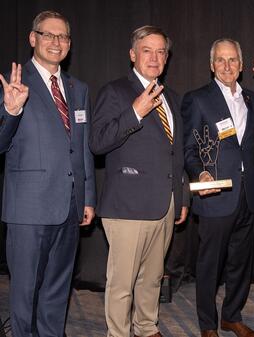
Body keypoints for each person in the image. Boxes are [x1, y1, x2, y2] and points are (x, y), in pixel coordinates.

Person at [0, 10, 96, 337]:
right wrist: (10, 110)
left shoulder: (78, 88)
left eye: (63, 37)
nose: (56, 42)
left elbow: (81, 148)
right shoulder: (14, 83)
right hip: (29, 209)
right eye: (49, 35)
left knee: (57, 291)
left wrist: (88, 197)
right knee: (25, 293)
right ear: (33, 38)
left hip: (69, 206)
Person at [90, 25, 189, 337]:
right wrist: (134, 113)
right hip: (127, 206)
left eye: (161, 52)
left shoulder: (171, 96)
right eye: (147, 50)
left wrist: (182, 197)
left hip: (165, 203)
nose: (155, 57)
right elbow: (98, 142)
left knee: (152, 277)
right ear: (133, 54)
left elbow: (177, 153)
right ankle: (117, 333)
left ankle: (147, 328)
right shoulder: (115, 91)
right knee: (123, 283)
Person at [182, 38, 254, 337]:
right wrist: (199, 173)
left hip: (248, 194)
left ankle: (232, 316)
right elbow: (189, 148)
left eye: (233, 61)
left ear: (241, 66)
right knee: (210, 265)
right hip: (215, 194)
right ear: (211, 64)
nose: (227, 66)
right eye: (220, 60)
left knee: (241, 262)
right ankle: (207, 324)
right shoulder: (198, 99)